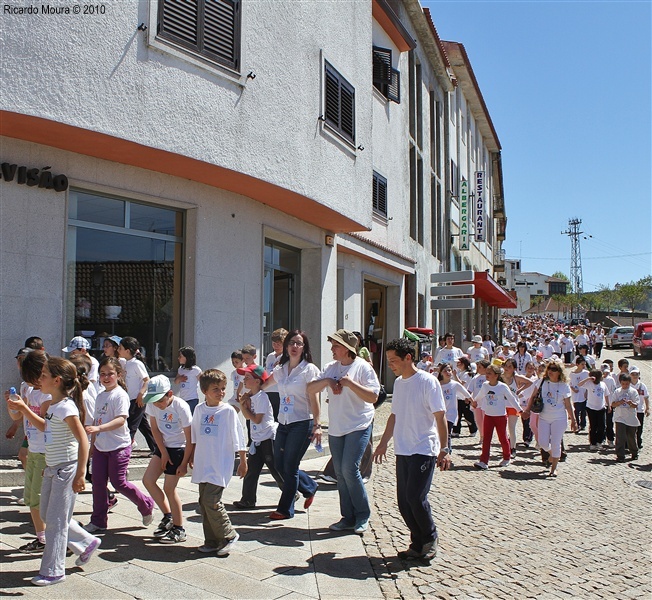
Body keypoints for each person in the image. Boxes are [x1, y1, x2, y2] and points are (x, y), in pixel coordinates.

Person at [7, 357, 100, 586]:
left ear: (57, 381)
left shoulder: (67, 407)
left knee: (56, 523)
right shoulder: (52, 405)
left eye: (44, 375)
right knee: (49, 515)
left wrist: (80, 474)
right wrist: (24, 409)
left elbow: (83, 441)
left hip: (65, 470)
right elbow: (44, 428)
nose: (40, 379)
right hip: (52, 468)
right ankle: (85, 541)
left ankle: (54, 571)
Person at [373, 338, 450, 561]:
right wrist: (383, 442)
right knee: (404, 501)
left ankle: (430, 538)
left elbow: (440, 415)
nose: (390, 365)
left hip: (424, 447)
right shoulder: (398, 383)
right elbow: (394, 415)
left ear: (408, 358)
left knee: (416, 497)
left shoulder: (427, 382)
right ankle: (417, 543)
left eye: (394, 360)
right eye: (388, 361)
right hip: (403, 448)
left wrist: (444, 449)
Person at [307, 330, 379, 534]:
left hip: (359, 425)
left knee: (349, 469)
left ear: (347, 349)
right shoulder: (331, 368)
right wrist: (329, 382)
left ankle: (362, 514)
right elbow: (311, 389)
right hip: (337, 427)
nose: (332, 349)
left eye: (335, 346)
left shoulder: (363, 368)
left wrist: (349, 384)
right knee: (339, 472)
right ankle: (347, 517)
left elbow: (373, 397)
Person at [84, 357, 155, 533]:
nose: (106, 377)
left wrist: (98, 428)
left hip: (119, 446)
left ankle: (146, 504)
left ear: (119, 375)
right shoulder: (100, 395)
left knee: (119, 482)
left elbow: (120, 420)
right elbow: (95, 420)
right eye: (102, 374)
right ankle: (98, 521)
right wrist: (93, 446)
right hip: (101, 447)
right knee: (98, 483)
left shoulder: (120, 394)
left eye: (110, 374)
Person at [263, 330, 320, 520]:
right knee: (279, 464)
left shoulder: (309, 369)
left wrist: (317, 424)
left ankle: (285, 509)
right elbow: (265, 384)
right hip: (284, 422)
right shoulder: (280, 369)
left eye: (299, 343)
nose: (295, 347)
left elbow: (315, 397)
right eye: (292, 343)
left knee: (290, 465)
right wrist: (248, 392)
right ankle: (309, 486)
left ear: (304, 348)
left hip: (302, 422)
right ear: (286, 346)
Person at [191, 369, 247, 555]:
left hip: (219, 464)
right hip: (203, 462)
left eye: (223, 388)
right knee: (203, 502)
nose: (221, 392)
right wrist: (190, 456)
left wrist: (243, 460)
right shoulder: (199, 409)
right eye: (216, 389)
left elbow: (238, 435)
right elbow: (194, 436)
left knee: (212, 500)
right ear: (205, 390)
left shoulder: (228, 411)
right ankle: (212, 541)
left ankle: (228, 534)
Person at [6, 350, 50, 553]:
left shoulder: (49, 394)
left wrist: (23, 409)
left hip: (46, 452)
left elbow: (45, 426)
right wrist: (12, 406)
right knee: (32, 498)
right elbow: (17, 418)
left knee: (42, 499)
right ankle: (42, 538)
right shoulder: (30, 390)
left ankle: (66, 539)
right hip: (33, 449)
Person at [142, 375, 193, 543]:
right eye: (154, 401)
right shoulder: (152, 404)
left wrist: (185, 462)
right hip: (163, 447)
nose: (157, 405)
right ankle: (168, 516)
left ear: (170, 393)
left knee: (169, 489)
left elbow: (190, 436)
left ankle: (179, 529)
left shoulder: (181, 406)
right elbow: (155, 430)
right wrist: (162, 452)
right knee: (148, 480)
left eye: (160, 401)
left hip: (179, 449)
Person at [233, 364, 284, 509]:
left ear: (257, 381)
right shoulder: (251, 396)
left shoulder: (262, 397)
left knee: (275, 468)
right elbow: (248, 417)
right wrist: (245, 404)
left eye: (248, 377)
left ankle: (292, 491)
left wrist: (243, 406)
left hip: (268, 438)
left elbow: (256, 419)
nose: (244, 380)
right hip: (257, 439)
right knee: (252, 470)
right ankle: (248, 500)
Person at [523, 359, 575, 477]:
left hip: (559, 418)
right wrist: (527, 410)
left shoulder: (564, 385)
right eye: (549, 369)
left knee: (556, 442)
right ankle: (553, 454)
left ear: (559, 372)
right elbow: (533, 397)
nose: (551, 371)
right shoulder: (542, 382)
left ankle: (553, 469)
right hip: (544, 417)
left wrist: (574, 420)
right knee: (543, 442)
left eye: (554, 369)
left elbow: (568, 404)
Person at [472, 364, 521, 470]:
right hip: (489, 416)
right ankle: (484, 461)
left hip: (500, 416)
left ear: (496, 375)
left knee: (502, 438)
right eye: (487, 373)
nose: (487, 375)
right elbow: (480, 396)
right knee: (486, 439)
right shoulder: (485, 385)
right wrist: (474, 401)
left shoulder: (502, 387)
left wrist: (520, 410)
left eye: (489, 373)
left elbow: (512, 399)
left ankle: (507, 457)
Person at [119, 337, 156, 453]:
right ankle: (156, 448)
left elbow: (147, 380)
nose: (118, 350)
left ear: (128, 350)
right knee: (143, 426)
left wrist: (141, 393)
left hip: (137, 400)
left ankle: (124, 452)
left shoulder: (136, 364)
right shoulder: (126, 363)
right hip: (129, 399)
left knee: (131, 427)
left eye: (120, 348)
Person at [437, 363, 472, 453]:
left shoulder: (455, 384)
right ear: (441, 373)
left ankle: (447, 451)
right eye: (445, 371)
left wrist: (472, 401)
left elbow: (465, 393)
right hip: (439, 413)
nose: (447, 372)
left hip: (451, 413)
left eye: (449, 370)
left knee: (447, 433)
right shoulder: (437, 385)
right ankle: (439, 450)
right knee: (438, 433)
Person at [578, 370, 609, 450]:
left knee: (602, 426)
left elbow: (606, 395)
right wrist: (588, 379)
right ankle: (593, 443)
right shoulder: (589, 384)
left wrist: (608, 405)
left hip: (601, 407)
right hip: (591, 408)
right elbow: (579, 384)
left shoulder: (603, 384)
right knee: (593, 426)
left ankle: (599, 442)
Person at [612, 373, 640, 462]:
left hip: (631, 417)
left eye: (627, 384)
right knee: (620, 436)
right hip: (620, 417)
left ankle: (634, 452)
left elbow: (636, 404)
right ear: (620, 383)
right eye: (623, 384)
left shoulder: (633, 391)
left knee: (631, 436)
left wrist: (630, 403)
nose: (625, 386)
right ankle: (620, 455)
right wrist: (619, 403)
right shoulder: (617, 391)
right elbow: (612, 404)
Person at [264, 328, 288, 421]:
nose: (276, 346)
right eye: (274, 343)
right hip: (268, 390)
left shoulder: (287, 357)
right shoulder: (270, 356)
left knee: (279, 419)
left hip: (280, 392)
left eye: (279, 344)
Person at [174, 346, 202, 414]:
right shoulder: (181, 369)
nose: (178, 358)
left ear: (187, 357)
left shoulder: (196, 370)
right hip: (183, 398)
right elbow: (176, 382)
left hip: (192, 398)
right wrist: (179, 378)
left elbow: (203, 382)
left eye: (180, 356)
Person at [629, 367, 650, 450]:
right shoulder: (627, 385)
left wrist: (647, 408)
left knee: (639, 428)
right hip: (629, 410)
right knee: (629, 428)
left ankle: (638, 442)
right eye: (633, 374)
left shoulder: (642, 385)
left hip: (639, 410)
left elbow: (646, 397)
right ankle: (629, 443)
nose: (635, 376)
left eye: (636, 374)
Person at [569, 357, 589, 433]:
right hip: (576, 394)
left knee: (583, 410)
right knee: (576, 410)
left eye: (584, 364)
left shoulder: (586, 373)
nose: (583, 365)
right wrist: (573, 389)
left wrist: (587, 392)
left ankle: (583, 424)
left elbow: (588, 383)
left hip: (583, 394)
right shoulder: (572, 374)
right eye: (582, 364)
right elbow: (570, 383)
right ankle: (577, 423)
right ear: (577, 364)